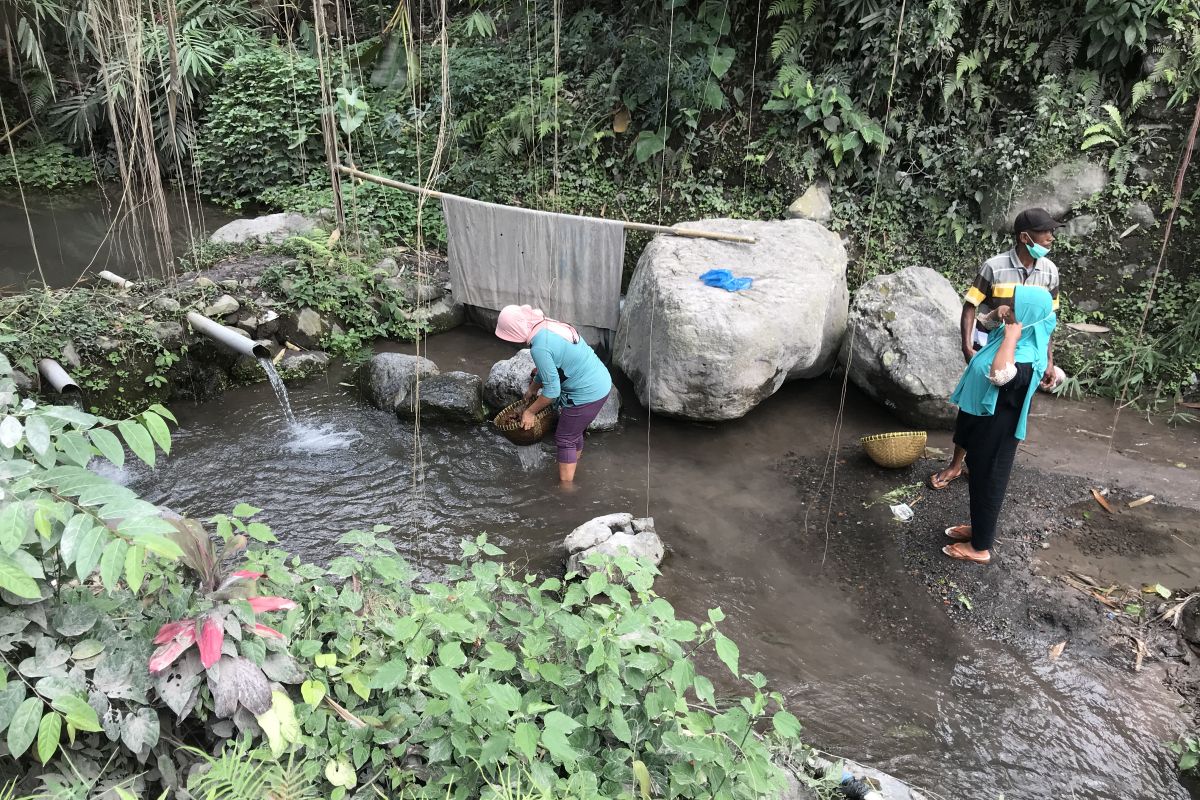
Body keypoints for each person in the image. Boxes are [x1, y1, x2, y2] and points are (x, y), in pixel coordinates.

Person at [929, 207, 1064, 491]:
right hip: (992, 350)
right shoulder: (995, 266)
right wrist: (967, 347)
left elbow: (1048, 322)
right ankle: (956, 465)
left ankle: (989, 466)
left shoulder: (1050, 272)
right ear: (1026, 237)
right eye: (1046, 232)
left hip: (1028, 357)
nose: (1051, 237)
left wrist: (1049, 361)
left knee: (1011, 413)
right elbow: (971, 305)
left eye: (1052, 231)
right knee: (973, 411)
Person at [942, 285, 1057, 564]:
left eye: (1016, 308)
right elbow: (983, 326)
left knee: (988, 480)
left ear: (1028, 316)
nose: (1011, 310)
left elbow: (1001, 377)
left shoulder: (1026, 351)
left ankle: (980, 548)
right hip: (983, 418)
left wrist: (1011, 336)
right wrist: (998, 314)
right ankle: (980, 531)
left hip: (998, 428)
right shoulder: (1020, 336)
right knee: (979, 474)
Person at [494, 304, 613, 484]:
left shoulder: (539, 347)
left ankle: (566, 490)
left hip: (587, 393)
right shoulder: (548, 326)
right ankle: (572, 464)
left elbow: (552, 391)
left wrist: (529, 412)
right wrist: (533, 387)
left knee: (564, 438)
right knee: (573, 432)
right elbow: (553, 365)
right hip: (599, 382)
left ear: (515, 330)